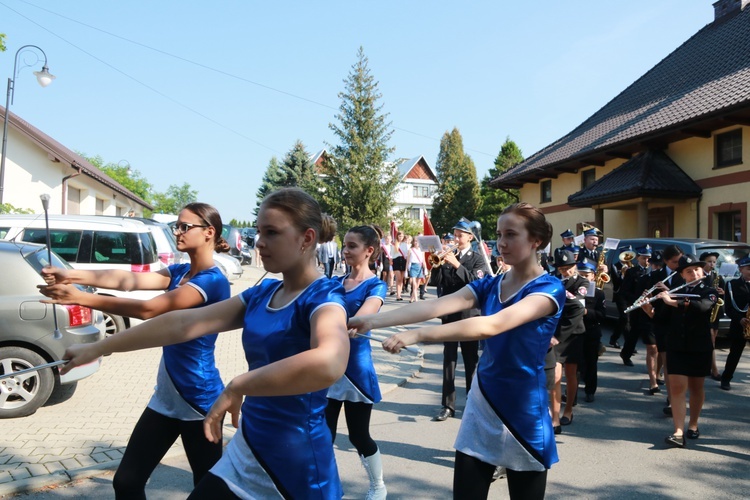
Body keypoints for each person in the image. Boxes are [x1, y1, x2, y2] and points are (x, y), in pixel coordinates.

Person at [58, 188, 350, 498]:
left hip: (296, 469)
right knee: (130, 482)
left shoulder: (325, 298)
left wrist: (239, 385)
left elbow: (329, 361)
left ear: (306, 239)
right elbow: (182, 323)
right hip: (247, 452)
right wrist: (98, 347)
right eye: (259, 230)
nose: (259, 242)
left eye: (272, 232)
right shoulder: (260, 294)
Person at [349, 202, 565, 499]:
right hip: (482, 403)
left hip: (523, 411)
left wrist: (418, 335)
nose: (501, 243)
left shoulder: (549, 289)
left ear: (536, 240)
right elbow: (435, 305)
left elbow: (491, 325)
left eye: (511, 234)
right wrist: (370, 320)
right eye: (499, 234)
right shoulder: (491, 284)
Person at [39, 203, 231, 498]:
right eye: (175, 226)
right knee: (127, 481)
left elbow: (149, 309)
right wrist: (71, 276)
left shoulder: (212, 282)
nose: (177, 232)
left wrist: (80, 298)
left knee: (207, 491)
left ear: (209, 233)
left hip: (199, 401)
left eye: (184, 226)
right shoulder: (181, 272)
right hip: (166, 399)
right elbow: (126, 280)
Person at [326, 225, 388, 499]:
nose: (345, 250)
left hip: (356, 373)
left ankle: (378, 486)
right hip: (328, 370)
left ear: (369, 251)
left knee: (358, 436)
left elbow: (364, 317)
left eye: (352, 245)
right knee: (322, 436)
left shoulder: (376, 285)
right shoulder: (335, 282)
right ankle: (325, 488)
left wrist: (349, 324)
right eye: (345, 245)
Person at [645, 254, 717, 448]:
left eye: (696, 270)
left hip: (699, 347)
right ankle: (678, 431)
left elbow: (703, 307)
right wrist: (647, 308)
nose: (694, 273)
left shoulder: (709, 290)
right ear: (682, 274)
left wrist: (672, 302)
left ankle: (693, 424)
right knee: (677, 387)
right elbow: (661, 319)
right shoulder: (676, 291)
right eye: (688, 271)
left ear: (702, 271)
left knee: (696, 387)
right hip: (676, 346)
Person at [428, 219, 489, 422]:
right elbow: (435, 283)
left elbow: (478, 283)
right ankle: (448, 405)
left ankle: (473, 404)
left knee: (471, 361)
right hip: (450, 316)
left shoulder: (478, 259)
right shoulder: (447, 256)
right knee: (449, 361)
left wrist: (457, 265)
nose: (456, 238)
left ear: (470, 237)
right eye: (455, 234)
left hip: (469, 317)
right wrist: (437, 265)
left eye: (460, 235)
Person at [552, 248, 587, 426]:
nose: (566, 271)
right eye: (563, 268)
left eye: (569, 267)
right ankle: (555, 415)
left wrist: (560, 289)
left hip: (574, 333)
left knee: (571, 374)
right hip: (556, 333)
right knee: (556, 375)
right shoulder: (554, 280)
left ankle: (569, 409)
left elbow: (579, 303)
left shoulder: (583, 282)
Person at [620, 245, 660, 395]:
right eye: (644, 257)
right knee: (633, 334)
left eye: (649, 258)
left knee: (653, 345)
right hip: (637, 307)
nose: (647, 260)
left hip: (651, 310)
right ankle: (626, 354)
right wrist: (636, 301)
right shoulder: (632, 272)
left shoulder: (655, 273)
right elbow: (625, 291)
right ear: (638, 258)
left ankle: (656, 375)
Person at [719, 256, 750, 391]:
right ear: (741, 269)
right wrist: (739, 319)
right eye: (749, 269)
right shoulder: (732, 285)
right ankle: (726, 379)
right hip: (740, 324)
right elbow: (729, 308)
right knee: (735, 354)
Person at [577, 258, 605, 403]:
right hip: (575, 332)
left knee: (591, 362)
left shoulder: (599, 293)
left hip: (591, 331)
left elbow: (602, 315)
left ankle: (590, 390)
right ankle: (572, 393)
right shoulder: (572, 290)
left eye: (586, 275)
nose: (583, 278)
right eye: (580, 274)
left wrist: (587, 312)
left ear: (593, 276)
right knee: (575, 363)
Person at [699, 251, 725, 380]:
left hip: (715, 311)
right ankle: (713, 369)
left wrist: (722, 292)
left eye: (714, 262)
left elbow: (723, 294)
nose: (712, 264)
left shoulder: (717, 276)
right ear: (703, 262)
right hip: (703, 311)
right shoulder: (699, 276)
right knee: (710, 340)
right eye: (709, 261)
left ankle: (709, 367)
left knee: (712, 339)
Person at [406, 235, 428, 303]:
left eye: (418, 241)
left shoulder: (422, 250)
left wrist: (425, 269)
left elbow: (423, 260)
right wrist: (406, 270)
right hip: (413, 266)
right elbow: (408, 261)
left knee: (417, 285)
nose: (416, 243)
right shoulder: (410, 250)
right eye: (415, 241)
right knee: (414, 284)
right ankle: (416, 300)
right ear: (413, 242)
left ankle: (411, 298)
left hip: (420, 267)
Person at [392, 231, 408, 301]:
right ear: (397, 236)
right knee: (398, 279)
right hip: (396, 260)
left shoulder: (405, 244)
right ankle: (398, 295)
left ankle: (399, 294)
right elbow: (392, 254)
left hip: (403, 260)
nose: (400, 237)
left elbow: (407, 254)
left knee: (401, 279)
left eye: (401, 236)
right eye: (399, 236)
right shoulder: (394, 244)